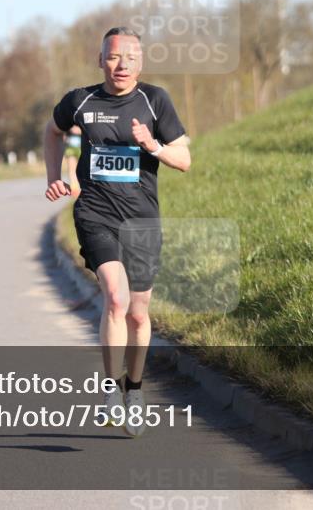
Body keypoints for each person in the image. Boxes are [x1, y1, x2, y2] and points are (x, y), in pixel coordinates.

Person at [43, 26, 191, 437]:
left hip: (142, 218)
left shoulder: (155, 100)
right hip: (95, 213)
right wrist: (55, 176)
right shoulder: (80, 101)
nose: (121, 65)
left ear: (141, 62)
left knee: (139, 313)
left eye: (130, 57)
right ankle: (110, 390)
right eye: (113, 56)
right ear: (100, 60)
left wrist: (154, 146)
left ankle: (135, 390)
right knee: (114, 298)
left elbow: (185, 159)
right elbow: (52, 132)